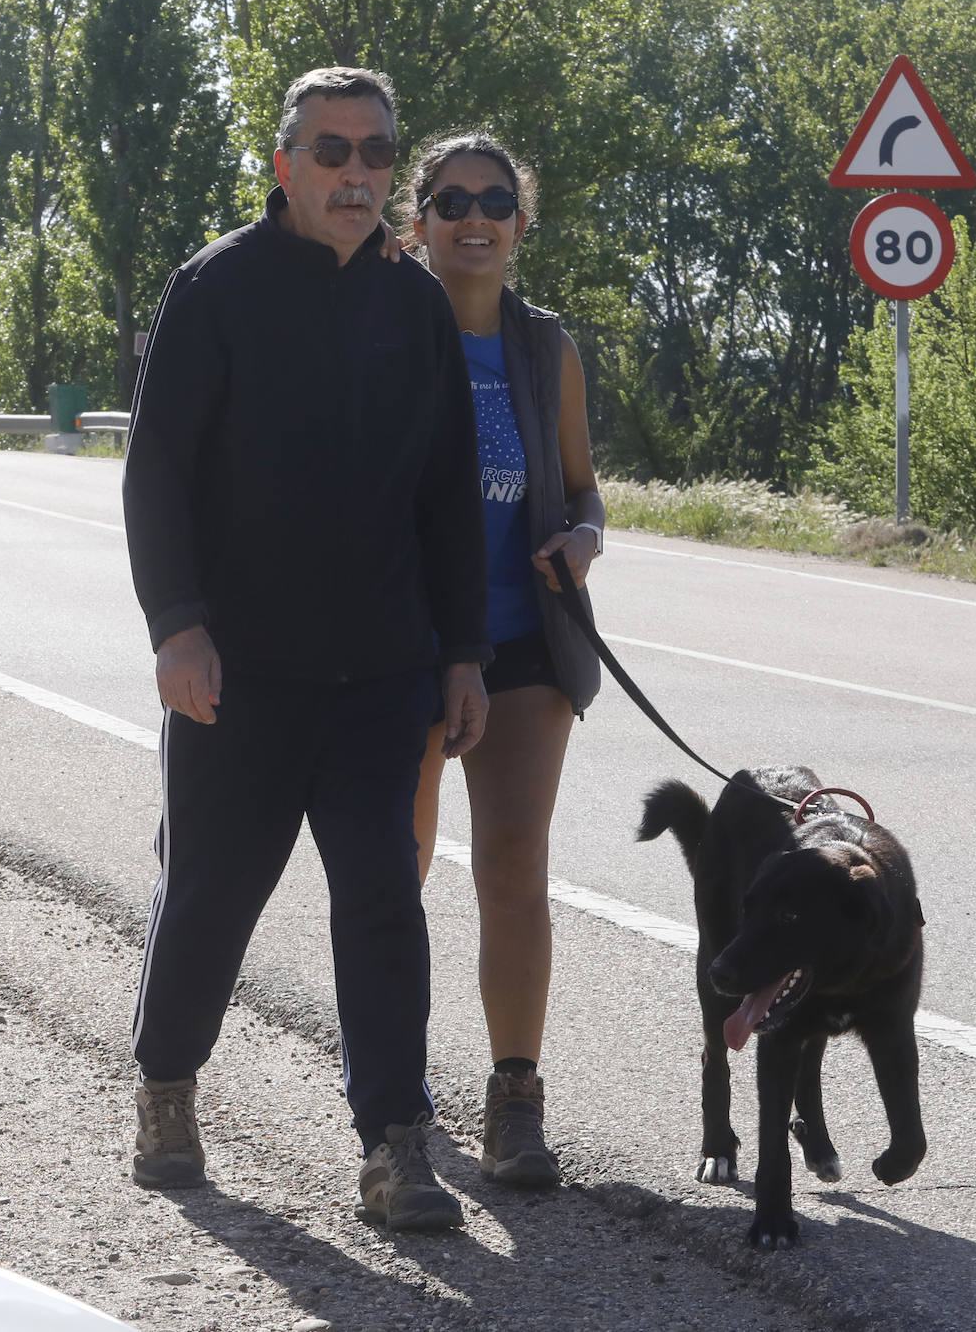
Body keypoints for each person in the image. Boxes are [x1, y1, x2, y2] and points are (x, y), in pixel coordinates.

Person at [121, 67, 491, 1233]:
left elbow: (446, 497)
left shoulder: (417, 305)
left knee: (385, 899)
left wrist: (464, 650)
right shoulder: (216, 288)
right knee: (215, 893)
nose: (356, 174)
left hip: (381, 672)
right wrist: (178, 625)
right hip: (239, 674)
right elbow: (158, 471)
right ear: (285, 164)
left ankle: (395, 1143)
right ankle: (168, 1085)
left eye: (377, 155)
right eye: (332, 151)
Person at [399, 133, 603, 1187]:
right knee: (398, 872)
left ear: (522, 222)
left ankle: (515, 1096)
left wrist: (581, 540)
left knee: (513, 865)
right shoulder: (383, 324)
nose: (473, 215)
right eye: (450, 198)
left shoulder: (545, 347)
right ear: (419, 219)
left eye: (495, 198)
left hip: (526, 644)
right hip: (404, 644)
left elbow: (582, 490)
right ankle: (395, 1103)